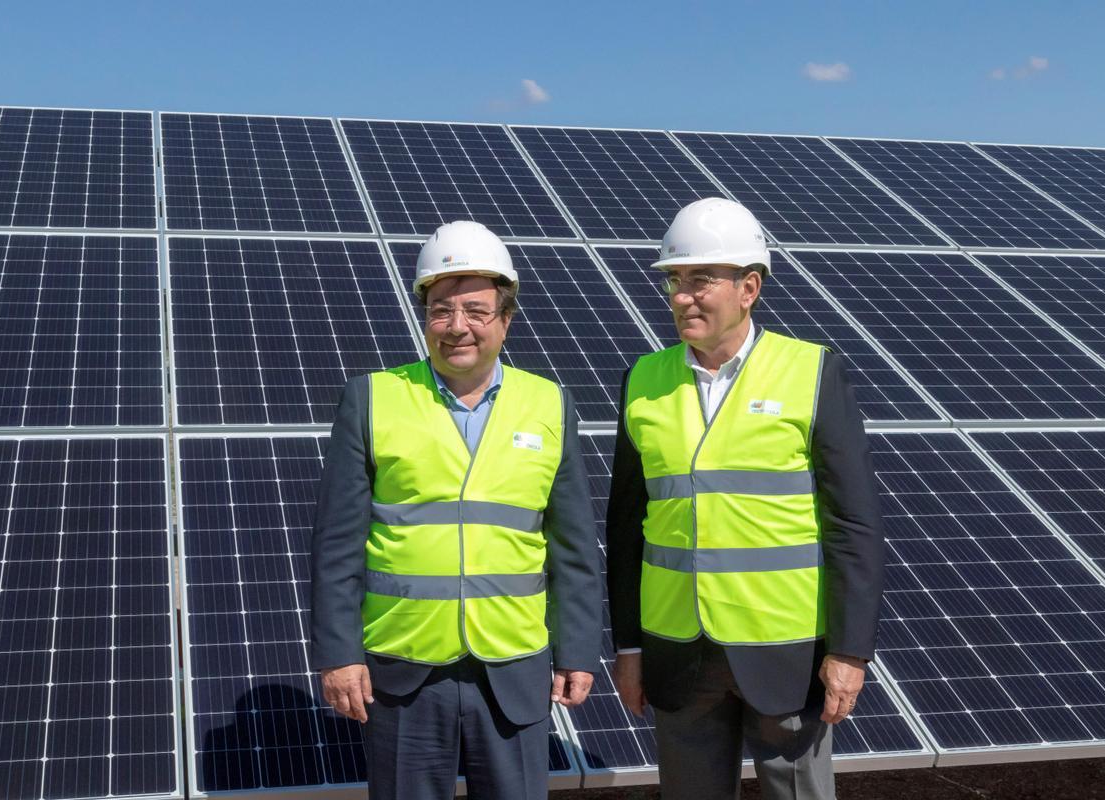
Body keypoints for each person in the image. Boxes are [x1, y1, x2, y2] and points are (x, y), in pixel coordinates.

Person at [309, 220, 601, 800]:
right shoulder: (373, 397)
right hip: (402, 667)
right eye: (441, 310)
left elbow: (573, 545)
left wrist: (576, 649)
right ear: (423, 317)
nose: (457, 327)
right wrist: (339, 653)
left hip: (513, 664)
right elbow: (336, 545)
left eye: (475, 310)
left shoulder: (548, 402)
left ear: (505, 318)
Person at [606, 198, 885, 799]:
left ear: (749, 287)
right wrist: (629, 646)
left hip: (786, 653)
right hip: (677, 650)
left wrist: (850, 652)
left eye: (700, 280)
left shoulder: (812, 372)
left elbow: (854, 525)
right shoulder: (643, 380)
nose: (683, 296)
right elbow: (627, 529)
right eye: (675, 281)